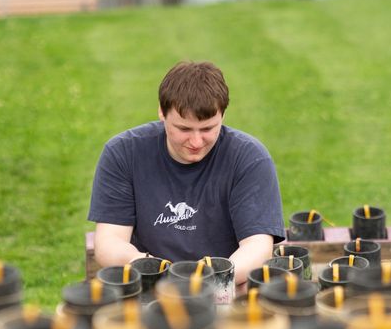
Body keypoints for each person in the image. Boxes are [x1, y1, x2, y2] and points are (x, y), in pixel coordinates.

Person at [88, 61, 284, 285]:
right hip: (150, 286)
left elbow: (257, 246)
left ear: (223, 116)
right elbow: (109, 241)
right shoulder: (123, 153)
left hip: (227, 288)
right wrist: (147, 265)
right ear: (162, 113)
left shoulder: (249, 158)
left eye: (208, 129)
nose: (196, 142)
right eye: (183, 129)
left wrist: (208, 280)